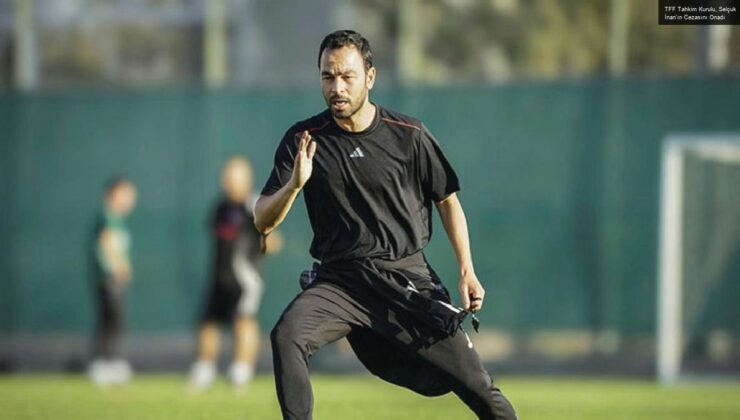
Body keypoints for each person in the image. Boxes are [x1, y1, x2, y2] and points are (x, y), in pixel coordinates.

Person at [255, 30, 517, 419]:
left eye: (347, 76)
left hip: (405, 278)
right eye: (328, 77)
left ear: (370, 77)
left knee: (475, 385)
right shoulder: (304, 140)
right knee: (287, 335)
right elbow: (262, 220)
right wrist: (294, 185)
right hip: (340, 282)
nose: (337, 87)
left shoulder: (409, 135)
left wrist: (467, 271)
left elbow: (447, 201)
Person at [189, 157, 282, 391]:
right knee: (208, 322)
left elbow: (273, 241)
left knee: (243, 321)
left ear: (245, 180)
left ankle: (241, 370)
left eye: (232, 177)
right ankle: (204, 369)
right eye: (226, 177)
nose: (227, 181)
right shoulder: (220, 206)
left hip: (245, 279)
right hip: (219, 277)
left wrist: (264, 244)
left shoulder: (253, 206)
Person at [88, 178, 137, 386]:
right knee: (111, 321)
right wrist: (119, 265)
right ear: (114, 194)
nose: (130, 199)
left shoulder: (116, 219)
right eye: (125, 194)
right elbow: (107, 242)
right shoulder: (108, 217)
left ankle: (112, 362)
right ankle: (106, 364)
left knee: (114, 320)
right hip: (109, 278)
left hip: (112, 278)